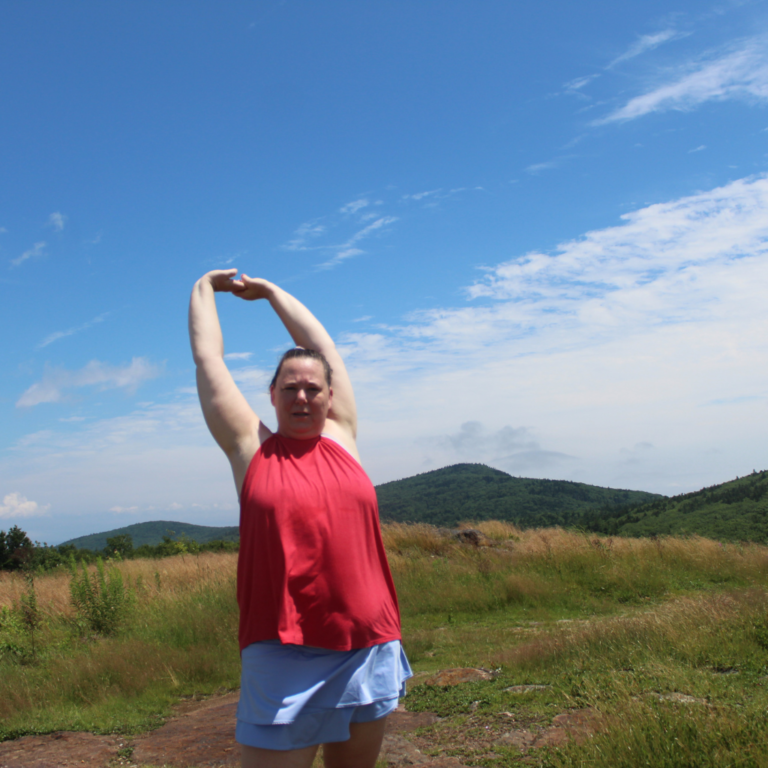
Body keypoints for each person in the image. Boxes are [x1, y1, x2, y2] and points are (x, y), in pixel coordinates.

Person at [189, 269, 411, 768]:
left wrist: (269, 293)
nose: (303, 396)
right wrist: (205, 287)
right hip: (281, 651)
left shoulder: (342, 437)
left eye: (313, 388)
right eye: (290, 388)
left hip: (366, 643)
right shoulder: (252, 450)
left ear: (330, 397)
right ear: (272, 396)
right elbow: (209, 361)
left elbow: (323, 346)